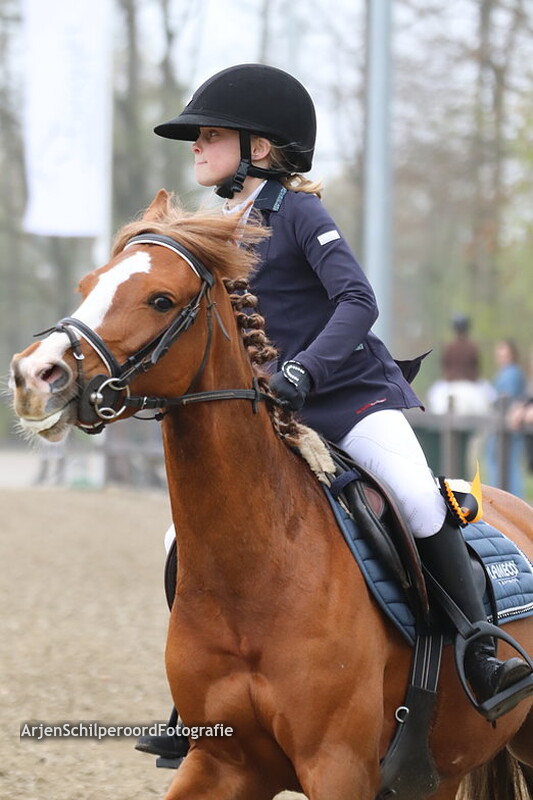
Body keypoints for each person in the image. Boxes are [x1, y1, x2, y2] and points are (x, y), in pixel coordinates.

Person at [137, 64, 532, 762]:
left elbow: (358, 302)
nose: (197, 145)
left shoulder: (299, 214)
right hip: (275, 412)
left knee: (418, 499)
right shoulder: (217, 227)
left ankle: (480, 653)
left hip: (350, 398)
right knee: (183, 536)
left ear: (260, 148)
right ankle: (197, 697)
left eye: (212, 135)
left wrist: (304, 371)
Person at [486, 340, 528, 497]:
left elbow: (509, 398)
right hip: (501, 427)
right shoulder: (506, 372)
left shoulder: (512, 373)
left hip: (508, 428)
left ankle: (508, 502)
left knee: (508, 468)